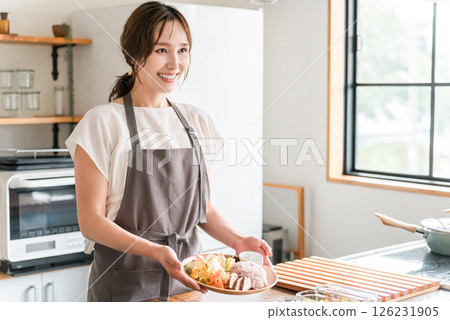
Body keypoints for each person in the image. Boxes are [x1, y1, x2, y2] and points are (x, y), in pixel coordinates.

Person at [66, 1, 272, 302]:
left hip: (189, 285)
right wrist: (154, 250)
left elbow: (204, 209)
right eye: (162, 50)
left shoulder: (196, 121)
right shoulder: (102, 122)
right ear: (133, 52)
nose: (175, 64)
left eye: (183, 50)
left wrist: (238, 240)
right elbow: (91, 221)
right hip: (124, 287)